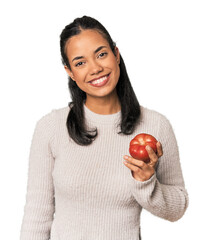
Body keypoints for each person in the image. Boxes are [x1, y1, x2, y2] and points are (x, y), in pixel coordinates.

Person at [20, 16, 189, 240]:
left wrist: (145, 183)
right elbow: (36, 217)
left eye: (101, 54)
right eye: (80, 63)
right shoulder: (50, 128)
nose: (96, 68)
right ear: (70, 71)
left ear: (116, 54)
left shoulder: (155, 125)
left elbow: (177, 209)